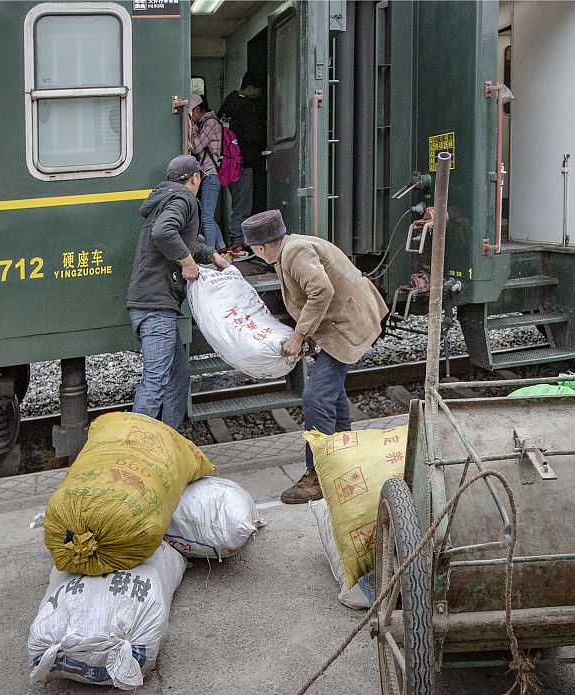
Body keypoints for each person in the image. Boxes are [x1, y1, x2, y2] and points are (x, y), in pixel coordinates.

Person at [242, 209, 390, 504]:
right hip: (343, 322)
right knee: (331, 394)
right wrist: (308, 336)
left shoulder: (295, 252)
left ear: (261, 247)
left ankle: (319, 475)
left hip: (348, 324)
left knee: (316, 397)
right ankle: (345, 459)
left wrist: (299, 336)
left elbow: (321, 290)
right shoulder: (291, 248)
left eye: (253, 249)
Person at [126, 154, 230, 430]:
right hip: (155, 305)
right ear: (195, 178)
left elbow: (183, 240)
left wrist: (211, 255)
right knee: (156, 380)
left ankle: (172, 435)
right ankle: (136, 445)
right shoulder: (183, 198)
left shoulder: (166, 198)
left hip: (153, 302)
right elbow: (164, 233)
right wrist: (187, 263)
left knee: (178, 375)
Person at [218, 71, 266, 246]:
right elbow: (253, 135)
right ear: (250, 88)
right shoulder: (247, 107)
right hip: (243, 162)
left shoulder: (228, 103)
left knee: (237, 203)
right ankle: (238, 243)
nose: (259, 94)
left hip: (227, 163)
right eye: (258, 90)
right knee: (242, 206)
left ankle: (237, 241)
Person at [188, 93, 227, 250]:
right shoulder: (207, 123)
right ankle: (221, 248)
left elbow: (196, 147)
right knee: (207, 215)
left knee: (206, 217)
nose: (192, 118)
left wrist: (191, 128)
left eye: (191, 114)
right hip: (209, 175)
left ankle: (211, 254)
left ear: (197, 109)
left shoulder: (210, 122)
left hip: (211, 174)